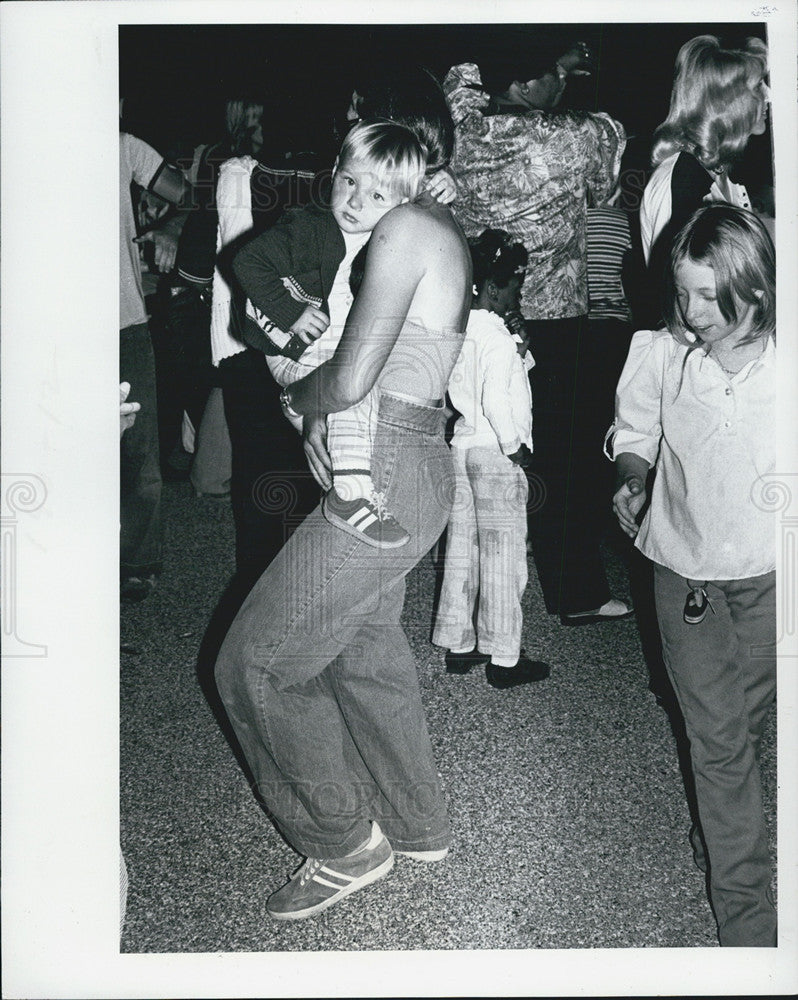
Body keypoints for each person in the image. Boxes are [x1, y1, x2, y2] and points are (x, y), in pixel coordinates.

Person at [215, 95, 471, 921]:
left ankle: (344, 844)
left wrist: (310, 405)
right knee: (364, 648)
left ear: (414, 161)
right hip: (415, 456)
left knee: (252, 664)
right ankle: (417, 822)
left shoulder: (402, 230)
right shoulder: (428, 231)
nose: (356, 194)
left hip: (391, 458)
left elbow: (352, 378)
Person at [607, 204, 776, 946]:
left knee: (755, 731)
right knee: (719, 742)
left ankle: (723, 832)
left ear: (759, 290)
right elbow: (632, 430)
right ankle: (749, 924)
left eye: (711, 296)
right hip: (688, 577)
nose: (691, 312)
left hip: (774, 578)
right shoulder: (662, 352)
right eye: (683, 293)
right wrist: (633, 473)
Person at [443, 47, 633, 627]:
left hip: (478, 315)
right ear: (526, 80)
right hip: (552, 317)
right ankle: (576, 592)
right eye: (555, 73)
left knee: (490, 441)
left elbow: (462, 78)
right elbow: (605, 191)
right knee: (564, 455)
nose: (563, 83)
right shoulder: (579, 136)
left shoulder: (466, 126)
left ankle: (491, 573)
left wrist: (529, 48)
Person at [233, 120, 428, 549]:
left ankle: (350, 470)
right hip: (290, 344)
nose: (355, 201)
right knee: (354, 380)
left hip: (322, 350)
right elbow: (247, 261)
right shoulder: (310, 228)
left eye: (376, 195)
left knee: (369, 382)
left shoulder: (385, 234)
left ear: (403, 205)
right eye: (348, 182)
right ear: (335, 169)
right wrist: (291, 312)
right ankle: (350, 495)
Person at [432, 229, 550, 689]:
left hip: (462, 447)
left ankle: (460, 643)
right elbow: (499, 399)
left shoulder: (464, 331)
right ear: (495, 287)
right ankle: (504, 657)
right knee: (504, 556)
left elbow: (481, 381)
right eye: (516, 289)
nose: (517, 298)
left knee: (463, 549)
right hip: (495, 455)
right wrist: (514, 446)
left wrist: (522, 347)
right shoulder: (497, 338)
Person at [639, 35, 769, 325]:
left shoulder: (719, 172)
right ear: (729, 101)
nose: (769, 95)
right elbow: (675, 290)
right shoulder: (682, 177)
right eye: (759, 86)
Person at [119, 127, 189, 602]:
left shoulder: (123, 147)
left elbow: (188, 197)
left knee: (140, 451)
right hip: (49, 326)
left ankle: (136, 561)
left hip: (123, 321)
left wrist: (170, 226)